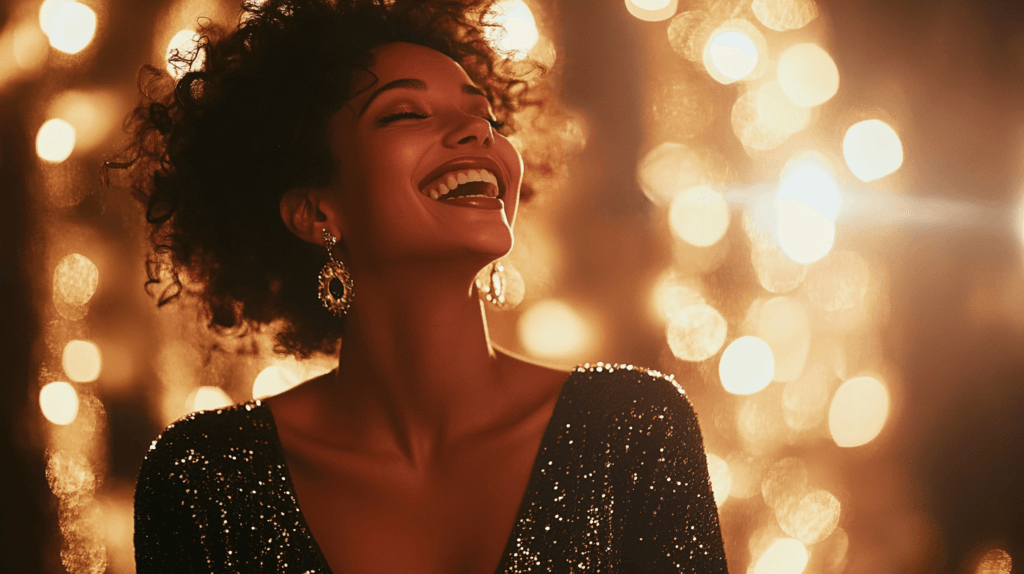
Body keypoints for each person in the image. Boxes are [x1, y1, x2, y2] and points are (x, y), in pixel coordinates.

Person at [114, 0, 728, 572]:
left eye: (483, 113)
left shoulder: (633, 429)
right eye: (405, 112)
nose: (477, 132)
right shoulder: (208, 480)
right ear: (315, 212)